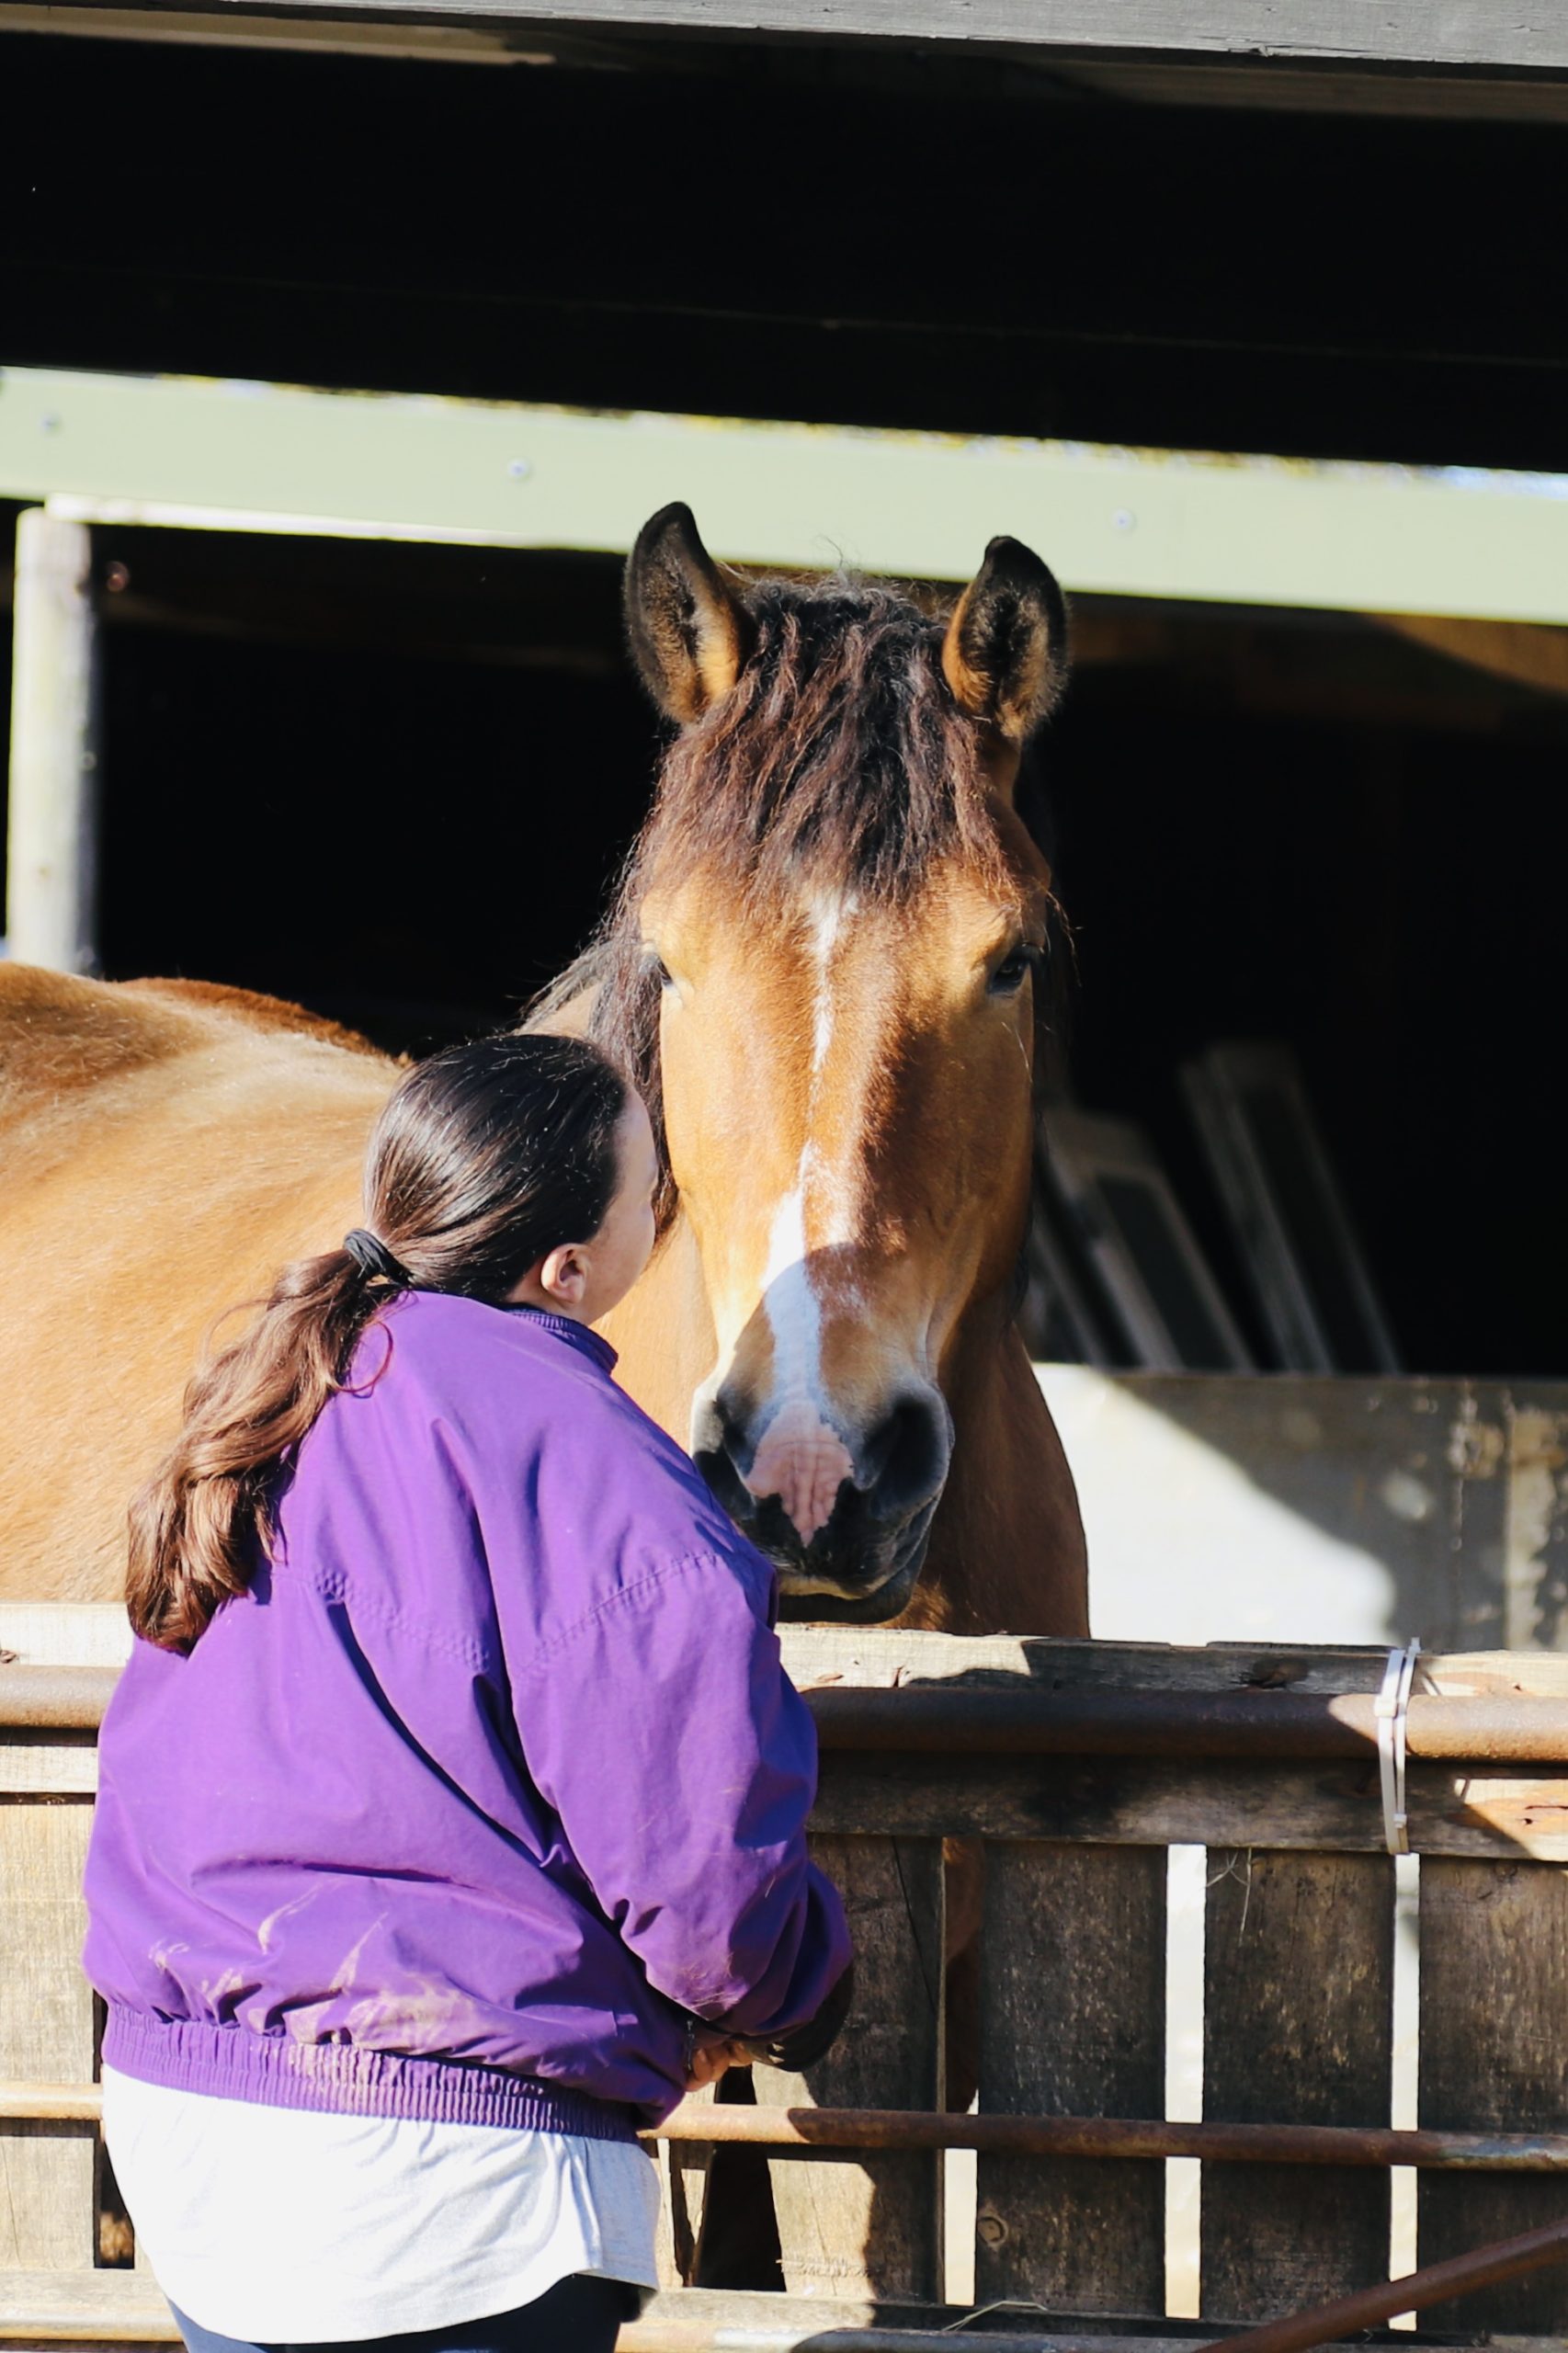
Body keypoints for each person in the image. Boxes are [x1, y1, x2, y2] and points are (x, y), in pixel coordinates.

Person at [82, 1031, 853, 2353]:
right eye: (649, 1186)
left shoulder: (267, 1402)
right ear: (571, 1267)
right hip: (454, 2180)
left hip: (194, 2126)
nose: (662, 1211)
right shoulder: (604, 1474)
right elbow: (702, 1874)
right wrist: (800, 1991)